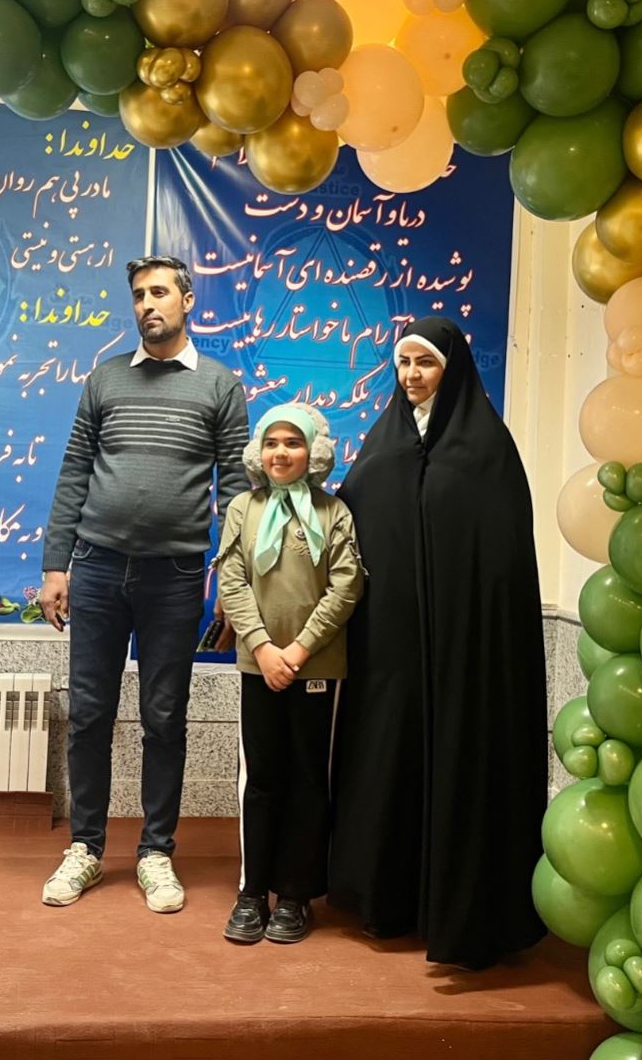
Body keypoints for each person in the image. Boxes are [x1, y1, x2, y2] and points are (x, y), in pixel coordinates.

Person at [328, 316, 547, 969]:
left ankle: (461, 911)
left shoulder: (487, 452)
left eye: (424, 363)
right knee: (388, 752)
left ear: (451, 370)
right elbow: (347, 530)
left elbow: (503, 561)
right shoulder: (382, 447)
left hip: (463, 650)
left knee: (461, 753)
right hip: (390, 651)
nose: (411, 375)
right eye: (403, 363)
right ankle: (385, 897)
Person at [38, 255, 249, 914]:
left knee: (164, 718)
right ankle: (85, 848)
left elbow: (236, 490)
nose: (147, 304)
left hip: (176, 576)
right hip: (98, 568)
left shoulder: (219, 385)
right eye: (138, 295)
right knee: (89, 714)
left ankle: (156, 852)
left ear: (187, 301)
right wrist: (55, 566)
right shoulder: (105, 379)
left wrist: (232, 580)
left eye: (159, 292)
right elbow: (75, 471)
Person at [215, 404, 363, 944]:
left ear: (314, 451)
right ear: (259, 451)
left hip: (316, 667)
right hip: (259, 666)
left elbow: (346, 586)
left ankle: (296, 895)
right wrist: (263, 647)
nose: (281, 452)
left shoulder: (334, 512)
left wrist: (297, 651)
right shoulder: (243, 508)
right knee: (261, 779)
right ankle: (253, 891)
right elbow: (232, 579)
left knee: (307, 778)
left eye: (293, 443)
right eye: (272, 442)